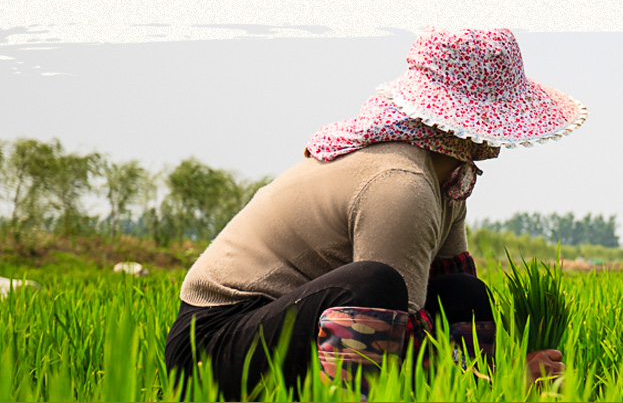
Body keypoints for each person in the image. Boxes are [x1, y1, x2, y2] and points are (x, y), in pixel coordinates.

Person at [163, 28, 586, 399]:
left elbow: (449, 291)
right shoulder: (401, 183)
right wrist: (506, 379)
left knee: (463, 291)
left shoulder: (447, 177)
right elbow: (402, 330)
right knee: (374, 285)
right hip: (213, 345)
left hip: (292, 324)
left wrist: (494, 363)